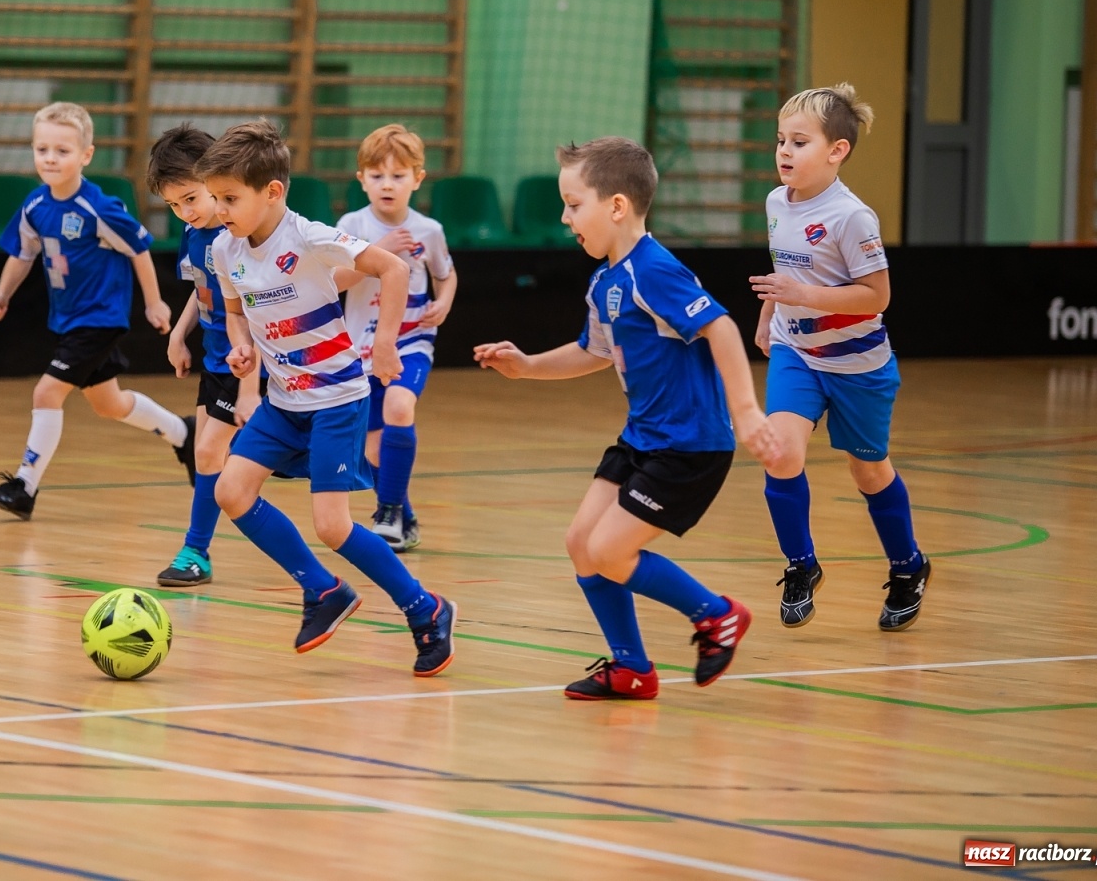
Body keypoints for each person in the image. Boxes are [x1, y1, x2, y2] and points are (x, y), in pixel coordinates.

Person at [475, 137, 782, 701]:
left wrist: (746, 411)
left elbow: (720, 327)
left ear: (616, 206)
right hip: (643, 438)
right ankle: (631, 668)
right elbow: (593, 352)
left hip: (689, 445)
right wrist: (527, 367)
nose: (566, 218)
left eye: (574, 204)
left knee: (611, 550)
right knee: (580, 542)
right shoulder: (606, 282)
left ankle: (717, 615)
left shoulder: (654, 270)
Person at [199, 120, 457, 677]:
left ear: (272, 192)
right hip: (281, 401)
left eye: (229, 198)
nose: (219, 210)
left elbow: (391, 268)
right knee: (232, 490)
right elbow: (235, 311)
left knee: (332, 526)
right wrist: (242, 348)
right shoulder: (225, 248)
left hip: (336, 398)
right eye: (215, 198)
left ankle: (426, 609)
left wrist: (386, 343)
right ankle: (323, 590)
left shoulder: (311, 237)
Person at [751, 83, 929, 632]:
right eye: (781, 140)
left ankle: (908, 568)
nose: (784, 151)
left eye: (799, 141)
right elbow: (787, 268)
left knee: (869, 471)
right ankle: (801, 565)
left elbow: (877, 297)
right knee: (780, 453)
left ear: (837, 151)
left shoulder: (854, 218)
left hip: (857, 365)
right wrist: (769, 316)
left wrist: (805, 296)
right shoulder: (776, 202)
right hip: (797, 353)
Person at [0, 102, 195, 520]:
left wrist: (153, 302)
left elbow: (139, 249)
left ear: (85, 155)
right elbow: (22, 254)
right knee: (108, 403)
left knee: (46, 392)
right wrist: (0, 296)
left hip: (99, 318)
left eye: (62, 150)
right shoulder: (36, 206)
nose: (51, 159)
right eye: (42, 149)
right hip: (70, 319)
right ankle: (183, 433)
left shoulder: (99, 207)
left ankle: (24, 486)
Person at [147, 123, 262, 586]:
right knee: (205, 453)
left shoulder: (239, 238)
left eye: (191, 198)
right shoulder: (194, 235)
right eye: (173, 205)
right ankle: (197, 549)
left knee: (211, 451)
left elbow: (250, 307)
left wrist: (251, 377)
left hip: (244, 361)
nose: (183, 212)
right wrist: (179, 334)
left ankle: (195, 550)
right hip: (215, 357)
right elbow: (202, 289)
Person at [335, 124, 457, 551]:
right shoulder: (351, 224)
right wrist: (379, 250)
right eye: (377, 175)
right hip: (359, 347)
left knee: (400, 404)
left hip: (411, 337)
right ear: (361, 179)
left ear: (418, 179)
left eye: (399, 176)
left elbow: (446, 273)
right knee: (371, 451)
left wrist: (444, 301)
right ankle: (402, 514)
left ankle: (386, 512)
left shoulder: (429, 230)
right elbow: (335, 281)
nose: (387, 185)